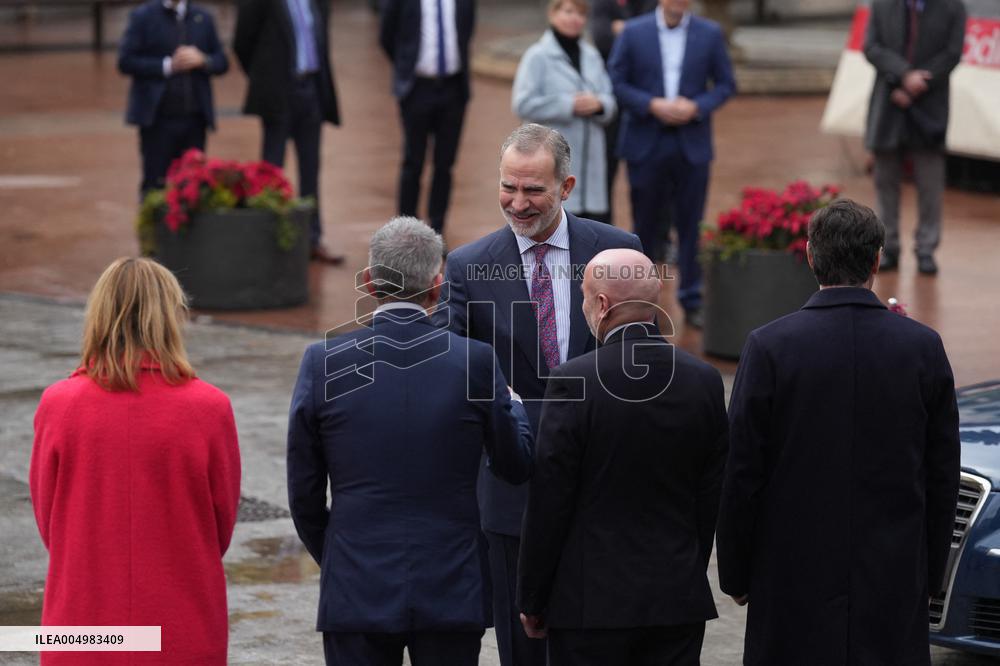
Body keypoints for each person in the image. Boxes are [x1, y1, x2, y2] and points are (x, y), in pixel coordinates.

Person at [716, 199, 960, 665]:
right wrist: (931, 576)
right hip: (893, 576)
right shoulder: (921, 347)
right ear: (875, 260)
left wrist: (737, 572)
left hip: (790, 576)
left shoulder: (769, 347)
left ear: (810, 256)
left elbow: (741, 471)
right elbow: (941, 473)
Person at [435, 123, 641, 666]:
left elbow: (641, 362)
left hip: (604, 487)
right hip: (511, 492)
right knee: (522, 649)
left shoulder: (620, 250)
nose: (518, 203)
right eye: (508, 187)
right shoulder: (466, 266)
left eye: (534, 190)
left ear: (567, 187)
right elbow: (448, 366)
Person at [287, 217, 534, 666]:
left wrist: (341, 556)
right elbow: (515, 465)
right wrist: (513, 405)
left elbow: (303, 493)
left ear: (368, 281)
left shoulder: (323, 361)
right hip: (451, 584)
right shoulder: (475, 362)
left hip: (355, 584)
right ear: (438, 286)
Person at [518, 248, 728, 666]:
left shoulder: (574, 380)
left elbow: (551, 500)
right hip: (675, 598)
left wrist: (532, 597)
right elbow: (711, 495)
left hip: (589, 605)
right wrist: (686, 568)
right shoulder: (703, 381)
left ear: (601, 304)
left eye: (583, 297)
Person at [29, 257, 241, 665]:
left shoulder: (59, 405)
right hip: (182, 626)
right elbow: (219, 526)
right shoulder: (210, 408)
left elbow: (49, 520)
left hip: (81, 628)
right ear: (169, 317)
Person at [608, 0, 735, 328]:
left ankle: (691, 298)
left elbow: (725, 84)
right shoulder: (634, 32)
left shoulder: (709, 33)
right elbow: (617, 81)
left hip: (691, 143)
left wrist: (696, 106)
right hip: (646, 140)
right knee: (644, 226)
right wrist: (650, 104)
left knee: (691, 224)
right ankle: (640, 303)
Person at [234, 0, 343, 264]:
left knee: (311, 170)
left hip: (311, 92)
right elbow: (242, 42)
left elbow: (321, 41)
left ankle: (312, 239)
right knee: (272, 171)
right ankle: (270, 238)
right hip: (278, 94)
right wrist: (264, 78)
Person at [864, 0, 966, 275]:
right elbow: (871, 47)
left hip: (929, 107)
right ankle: (887, 248)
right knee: (885, 182)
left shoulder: (952, 7)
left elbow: (953, 53)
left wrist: (918, 84)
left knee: (930, 184)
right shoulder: (882, 4)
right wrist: (903, 75)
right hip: (889, 104)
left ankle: (926, 250)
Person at [512, 0, 617, 223]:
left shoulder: (591, 55)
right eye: (568, 12)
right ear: (553, 14)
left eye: (580, 14)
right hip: (553, 158)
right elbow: (522, 103)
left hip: (591, 165)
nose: (574, 19)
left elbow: (610, 100)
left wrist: (599, 105)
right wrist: (568, 105)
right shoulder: (537, 56)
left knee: (590, 232)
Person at [379, 0, 475, 234]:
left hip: (453, 88)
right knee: (413, 161)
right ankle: (406, 231)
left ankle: (437, 229)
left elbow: (467, 30)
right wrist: (405, 64)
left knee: (445, 163)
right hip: (416, 88)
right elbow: (386, 35)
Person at [118, 0, 228, 197]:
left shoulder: (202, 17)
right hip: (158, 119)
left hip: (195, 118)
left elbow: (222, 61)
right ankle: (153, 227)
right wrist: (167, 66)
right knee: (154, 184)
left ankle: (189, 226)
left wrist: (204, 60)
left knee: (193, 184)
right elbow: (126, 61)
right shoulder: (143, 16)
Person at [590, 0, 657, 224]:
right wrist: (639, 30)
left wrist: (622, 28)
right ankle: (604, 234)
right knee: (605, 173)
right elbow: (601, 38)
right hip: (612, 106)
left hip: (646, 105)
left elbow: (654, 42)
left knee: (650, 178)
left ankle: (655, 238)